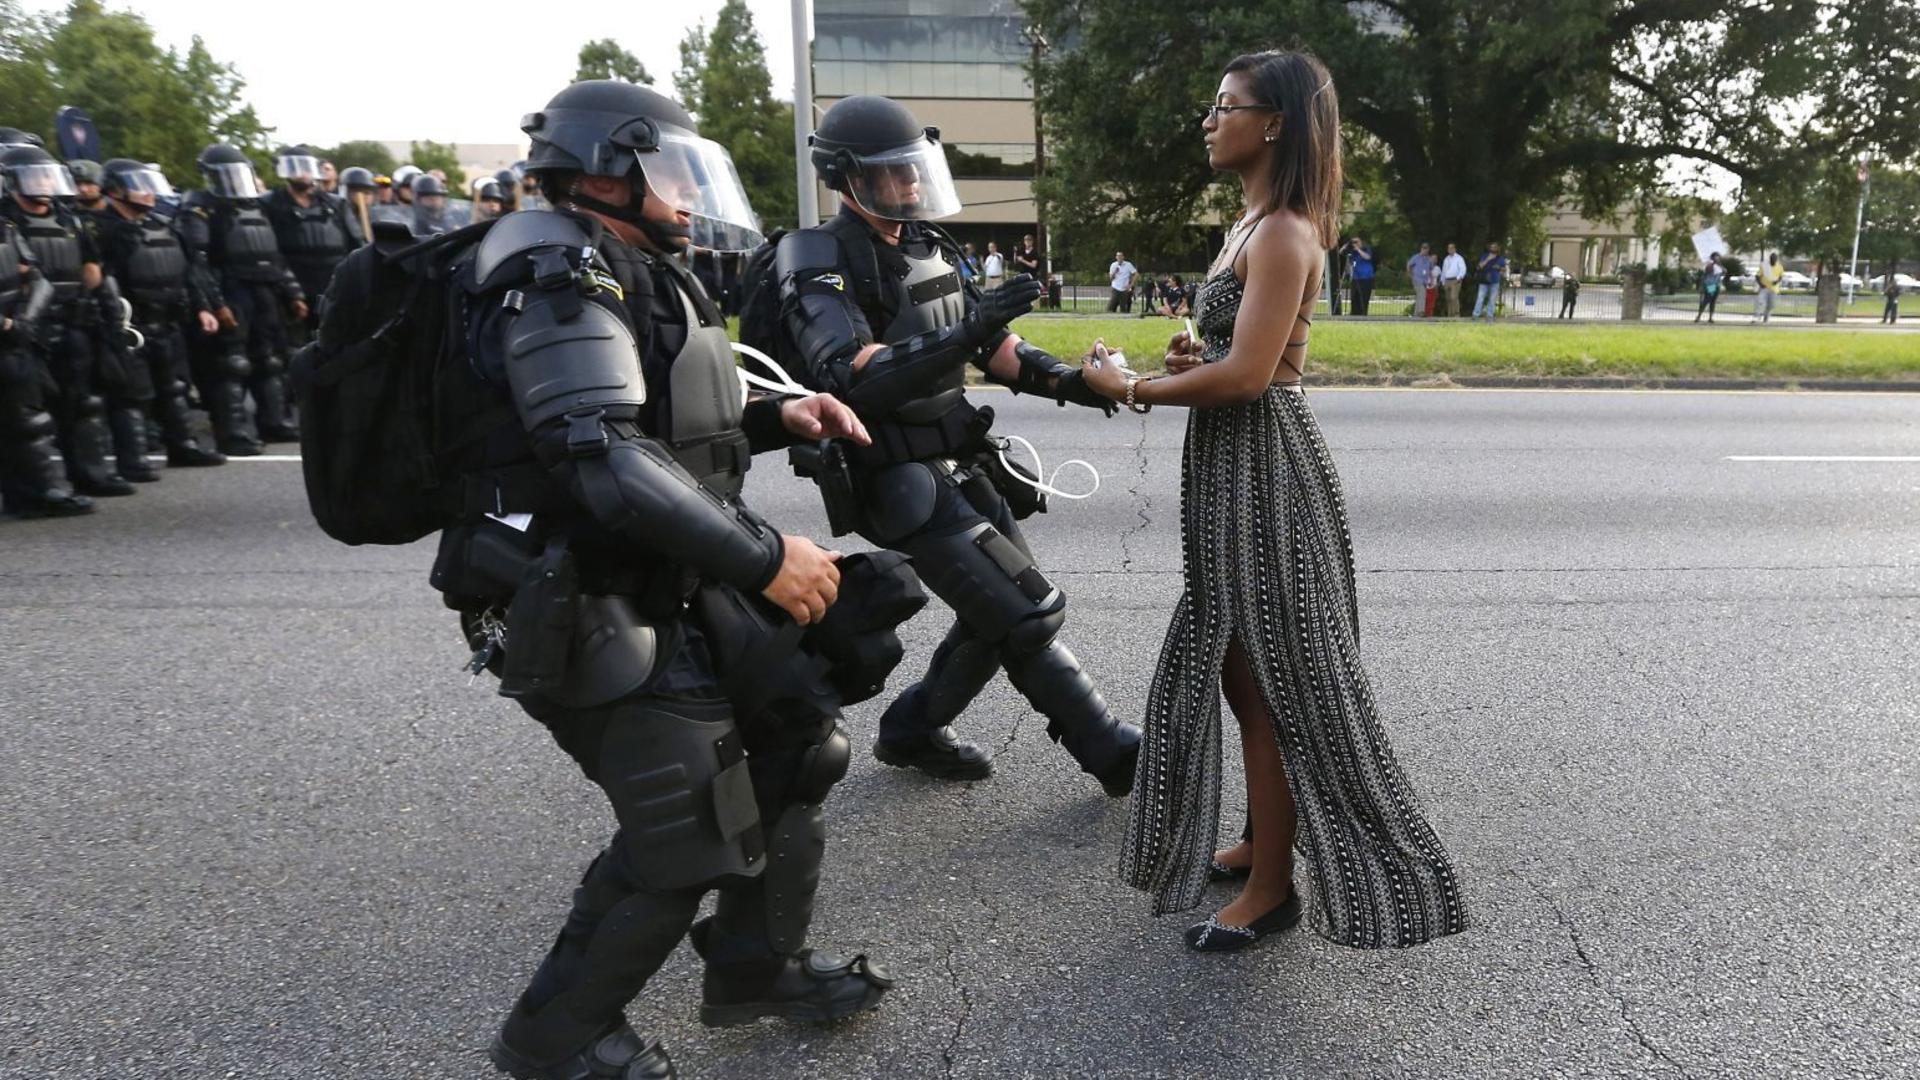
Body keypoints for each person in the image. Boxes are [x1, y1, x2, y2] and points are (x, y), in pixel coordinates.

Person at [446, 81, 896, 1079]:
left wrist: (785, 418)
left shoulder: (636, 263)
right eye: (671, 171)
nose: (689, 194)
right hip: (574, 590)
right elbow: (600, 453)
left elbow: (666, 430)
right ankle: (556, 1040)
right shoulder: (552, 267)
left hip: (661, 570)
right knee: (690, 823)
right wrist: (769, 560)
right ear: (608, 169)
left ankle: (753, 966)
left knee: (797, 744)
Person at [1079, 49, 1470, 953]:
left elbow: (1253, 377)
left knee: (1279, 682)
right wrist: (1189, 363)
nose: (1211, 120)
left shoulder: (1287, 230)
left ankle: (1272, 888)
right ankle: (1264, 838)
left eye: (1226, 106)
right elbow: (1232, 359)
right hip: (1232, 467)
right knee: (1238, 667)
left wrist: (1130, 385)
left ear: (1277, 123)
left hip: (1267, 471)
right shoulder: (1248, 225)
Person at [774, 93, 1142, 792]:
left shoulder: (926, 245)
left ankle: (912, 729)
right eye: (893, 172)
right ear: (848, 176)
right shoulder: (816, 254)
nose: (911, 183)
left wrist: (1075, 383)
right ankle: (1111, 750)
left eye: (916, 168)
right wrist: (969, 333)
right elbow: (846, 373)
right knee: (1027, 610)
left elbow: (994, 346)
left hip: (957, 457)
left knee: (999, 613)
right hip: (892, 473)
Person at [1, 145, 136, 496]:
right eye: (35, 176)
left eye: (47, 174)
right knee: (29, 415)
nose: (43, 182)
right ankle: (35, 491)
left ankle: (90, 474)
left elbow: (92, 270)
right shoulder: (6, 220)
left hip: (72, 322)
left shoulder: (69, 218)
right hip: (24, 329)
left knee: (82, 404)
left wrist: (107, 316)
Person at [90, 158, 226, 469]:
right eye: (139, 186)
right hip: (130, 326)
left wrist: (203, 307)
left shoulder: (164, 225)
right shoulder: (101, 230)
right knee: (131, 395)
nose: (149, 193)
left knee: (174, 387)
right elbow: (99, 280)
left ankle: (183, 446)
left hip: (169, 321)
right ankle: (134, 460)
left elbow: (189, 272)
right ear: (115, 190)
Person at [179, 142, 308, 451]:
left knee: (271, 360)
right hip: (231, 288)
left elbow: (274, 255)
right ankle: (233, 433)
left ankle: (274, 422)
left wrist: (293, 293)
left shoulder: (257, 207)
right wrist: (215, 303)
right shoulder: (200, 208)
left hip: (265, 290)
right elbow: (198, 262)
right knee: (231, 363)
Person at [1, 188, 95, 517]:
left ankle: (36, 494)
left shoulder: (7, 228)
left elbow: (38, 277)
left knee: (28, 418)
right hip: (8, 331)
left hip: (13, 338)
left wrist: (23, 320)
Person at [262, 145, 354, 334]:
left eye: (305, 167)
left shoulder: (336, 204)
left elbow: (357, 243)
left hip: (334, 284)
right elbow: (269, 250)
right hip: (292, 286)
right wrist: (291, 291)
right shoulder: (270, 203)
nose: (302, 173)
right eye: (294, 168)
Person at [337, 166, 378, 246]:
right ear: (346, 192)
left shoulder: (379, 216)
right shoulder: (337, 217)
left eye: (367, 192)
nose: (362, 196)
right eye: (355, 191)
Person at [1471, 242, 1506, 320]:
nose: (1493, 248)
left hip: (1495, 281)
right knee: (1480, 297)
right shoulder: (1485, 256)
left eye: (1494, 247)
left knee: (1492, 299)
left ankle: (1490, 315)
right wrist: (1488, 259)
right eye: (1491, 247)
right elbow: (1480, 266)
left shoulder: (1500, 258)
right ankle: (1476, 314)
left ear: (1497, 248)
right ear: (1489, 248)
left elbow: (1504, 269)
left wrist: (1499, 268)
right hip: (1484, 281)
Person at [1343, 235, 1375, 315]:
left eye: (1356, 242)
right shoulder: (1352, 252)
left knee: (1363, 298)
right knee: (1354, 298)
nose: (1355, 244)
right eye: (1353, 242)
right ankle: (1354, 314)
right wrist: (1347, 244)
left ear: (1361, 242)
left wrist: (1358, 249)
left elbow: (1367, 257)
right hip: (1355, 277)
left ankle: (1363, 315)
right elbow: (1341, 252)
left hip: (1366, 278)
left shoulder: (1366, 249)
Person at [1407, 243, 1436, 318]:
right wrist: (1410, 275)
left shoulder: (1429, 259)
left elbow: (1430, 270)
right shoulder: (1416, 257)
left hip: (1425, 281)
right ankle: (1421, 311)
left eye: (1426, 249)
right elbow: (1409, 265)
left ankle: (1416, 314)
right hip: (1417, 279)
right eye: (1424, 248)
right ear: (1421, 249)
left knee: (1420, 295)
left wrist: (1432, 280)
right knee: (1422, 293)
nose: (1425, 250)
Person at [1694, 253, 1725, 323]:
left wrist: (1720, 266)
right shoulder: (1710, 266)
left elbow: (1724, 272)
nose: (1718, 258)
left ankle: (1710, 317)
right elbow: (1706, 275)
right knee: (1706, 300)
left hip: (1717, 285)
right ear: (1713, 258)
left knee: (1713, 301)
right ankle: (1699, 316)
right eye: (1716, 257)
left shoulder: (1720, 266)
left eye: (1718, 257)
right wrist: (1702, 286)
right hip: (1711, 285)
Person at [1752, 252, 1783, 323]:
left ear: (1776, 259)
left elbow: (1781, 276)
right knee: (1760, 302)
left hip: (1774, 289)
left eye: (1774, 259)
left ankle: (1766, 317)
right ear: (1770, 259)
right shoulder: (1764, 266)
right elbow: (1757, 276)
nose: (1773, 261)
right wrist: (1761, 284)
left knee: (1772, 304)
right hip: (1764, 288)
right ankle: (1756, 317)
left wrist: (1777, 281)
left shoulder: (1779, 267)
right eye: (1772, 259)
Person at [1440, 241, 1467, 317]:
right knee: (1448, 298)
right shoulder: (1446, 259)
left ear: (1455, 249)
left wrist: (1459, 278)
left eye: (1452, 248)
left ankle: (1456, 313)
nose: (1450, 249)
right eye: (1449, 248)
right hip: (1447, 280)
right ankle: (1450, 314)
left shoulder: (1459, 258)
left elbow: (1463, 269)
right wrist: (1443, 281)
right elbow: (1443, 270)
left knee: (1454, 297)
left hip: (1455, 280)